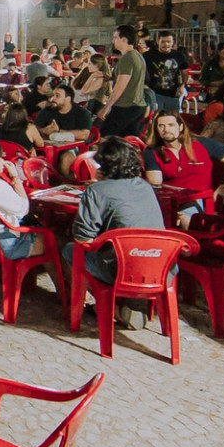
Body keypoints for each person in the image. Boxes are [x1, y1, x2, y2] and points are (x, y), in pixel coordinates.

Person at [67, 137, 166, 324]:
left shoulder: (97, 191)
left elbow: (82, 236)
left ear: (103, 164)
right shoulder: (144, 186)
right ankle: (128, 307)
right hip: (159, 266)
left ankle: (105, 306)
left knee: (69, 250)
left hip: (122, 268)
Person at [143, 112, 224, 223]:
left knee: (185, 216)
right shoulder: (152, 151)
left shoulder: (203, 144)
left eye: (171, 125)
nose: (166, 129)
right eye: (161, 126)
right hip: (169, 202)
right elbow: (156, 185)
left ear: (180, 127)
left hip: (199, 200)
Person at [95, 25, 151, 138]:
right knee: (128, 141)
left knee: (105, 137)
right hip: (136, 105)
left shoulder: (127, 58)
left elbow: (121, 85)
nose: (113, 41)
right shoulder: (138, 56)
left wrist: (106, 108)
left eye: (115, 38)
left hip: (125, 106)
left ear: (124, 40)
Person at [143, 31, 192, 114]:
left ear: (173, 42)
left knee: (173, 118)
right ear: (157, 41)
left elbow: (184, 73)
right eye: (163, 41)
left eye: (169, 42)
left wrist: (182, 86)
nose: (166, 44)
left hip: (173, 95)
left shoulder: (179, 55)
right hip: (155, 94)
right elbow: (141, 71)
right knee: (155, 119)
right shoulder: (148, 55)